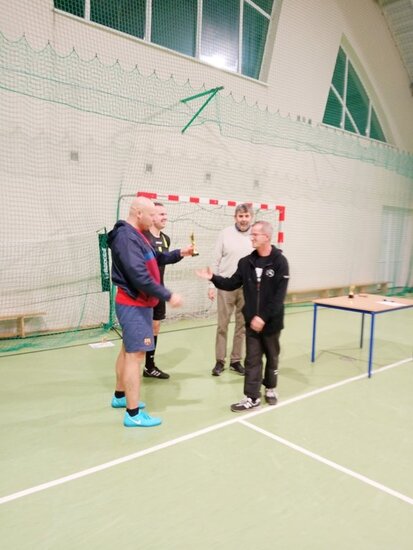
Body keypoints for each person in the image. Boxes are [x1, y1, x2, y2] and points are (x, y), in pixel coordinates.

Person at [107, 196, 193, 427]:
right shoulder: (126, 237)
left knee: (128, 351)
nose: (155, 219)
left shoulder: (138, 235)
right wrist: (168, 295)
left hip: (138, 304)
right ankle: (133, 414)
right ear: (139, 213)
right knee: (135, 357)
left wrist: (180, 253)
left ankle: (120, 396)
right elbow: (139, 276)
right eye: (152, 215)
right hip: (134, 304)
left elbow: (156, 257)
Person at [197, 221, 289, 412]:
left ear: (267, 237)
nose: (251, 237)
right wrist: (213, 278)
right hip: (251, 322)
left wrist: (263, 317)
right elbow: (231, 283)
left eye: (255, 234)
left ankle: (270, 387)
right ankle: (252, 397)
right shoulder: (246, 262)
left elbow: (279, 297)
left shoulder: (280, 262)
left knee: (272, 357)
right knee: (252, 359)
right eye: (251, 234)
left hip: (271, 322)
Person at [208, 203, 254, 376]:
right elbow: (215, 260)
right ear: (235, 217)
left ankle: (236, 361)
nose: (243, 219)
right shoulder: (225, 234)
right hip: (226, 286)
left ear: (251, 217)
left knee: (242, 326)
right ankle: (220, 361)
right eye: (240, 216)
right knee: (222, 325)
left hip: (247, 289)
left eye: (246, 216)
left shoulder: (255, 235)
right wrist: (211, 285)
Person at [142, 202, 174, 379]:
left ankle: (149, 366)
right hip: (144, 292)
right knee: (142, 328)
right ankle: (134, 363)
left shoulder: (166, 239)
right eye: (161, 214)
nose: (165, 217)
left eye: (166, 214)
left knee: (155, 326)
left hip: (159, 290)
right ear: (152, 216)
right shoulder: (142, 237)